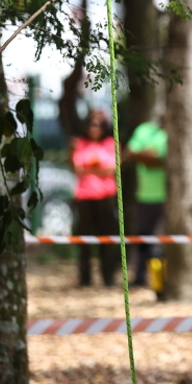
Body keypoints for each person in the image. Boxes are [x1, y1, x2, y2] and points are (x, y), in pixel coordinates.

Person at [71, 109, 119, 287]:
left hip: (105, 196)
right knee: (84, 239)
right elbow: (77, 169)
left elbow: (111, 168)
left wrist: (89, 169)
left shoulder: (110, 143)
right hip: (84, 196)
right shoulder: (80, 143)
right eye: (91, 124)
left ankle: (108, 277)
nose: (94, 128)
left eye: (99, 124)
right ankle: (84, 278)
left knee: (106, 238)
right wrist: (98, 169)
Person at [124, 113, 167, 287]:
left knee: (162, 243)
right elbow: (129, 153)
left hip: (166, 198)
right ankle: (141, 276)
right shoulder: (144, 130)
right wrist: (147, 155)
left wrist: (142, 155)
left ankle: (160, 281)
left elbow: (159, 161)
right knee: (143, 238)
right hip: (145, 195)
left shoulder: (172, 135)